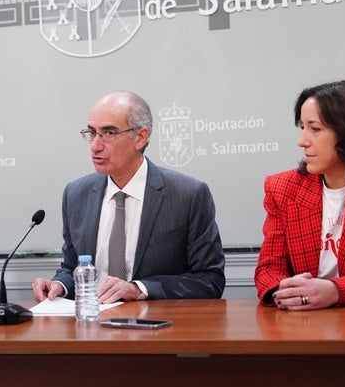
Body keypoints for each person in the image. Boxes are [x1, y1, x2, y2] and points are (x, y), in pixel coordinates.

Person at [32, 91, 225, 303]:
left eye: (109, 133)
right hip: (93, 327)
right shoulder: (76, 194)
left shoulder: (187, 194)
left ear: (140, 137)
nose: (95, 145)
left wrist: (139, 289)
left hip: (159, 327)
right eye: (92, 133)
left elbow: (209, 280)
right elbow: (72, 268)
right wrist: (59, 285)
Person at [255, 80, 345, 311]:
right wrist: (285, 290)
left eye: (314, 129)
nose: (302, 141)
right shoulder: (282, 188)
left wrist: (336, 290)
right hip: (303, 324)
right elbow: (269, 269)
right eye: (302, 127)